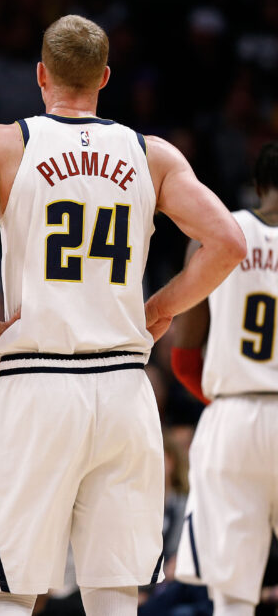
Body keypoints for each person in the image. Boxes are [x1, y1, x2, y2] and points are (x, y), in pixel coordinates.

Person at [0, 15, 246, 616]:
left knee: (7, 589)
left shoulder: (3, 144)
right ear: (104, 77)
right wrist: (162, 306)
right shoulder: (153, 155)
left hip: (39, 382)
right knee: (115, 593)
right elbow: (227, 241)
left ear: (40, 75)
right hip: (125, 387)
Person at [172, 141, 278, 616]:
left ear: (258, 185)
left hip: (233, 416)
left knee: (231, 597)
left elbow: (184, 357)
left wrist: (225, 403)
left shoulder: (219, 233)